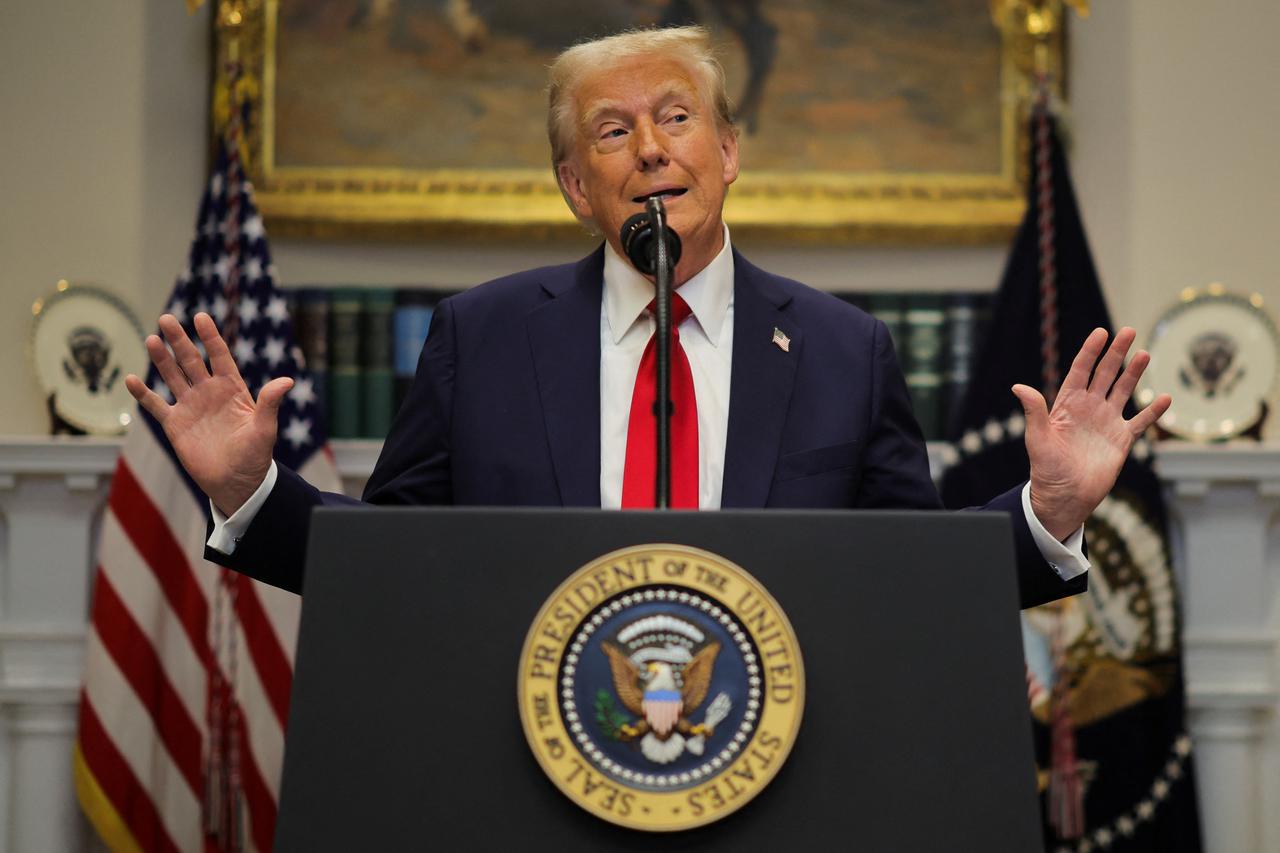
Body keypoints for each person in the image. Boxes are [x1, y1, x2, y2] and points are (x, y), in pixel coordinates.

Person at [124, 27, 1170, 604]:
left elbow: (910, 580)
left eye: (676, 118)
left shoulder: (843, 350)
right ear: (578, 186)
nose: (651, 150)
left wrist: (1049, 514)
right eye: (612, 133)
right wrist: (251, 492)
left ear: (727, 152)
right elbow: (394, 569)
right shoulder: (480, 339)